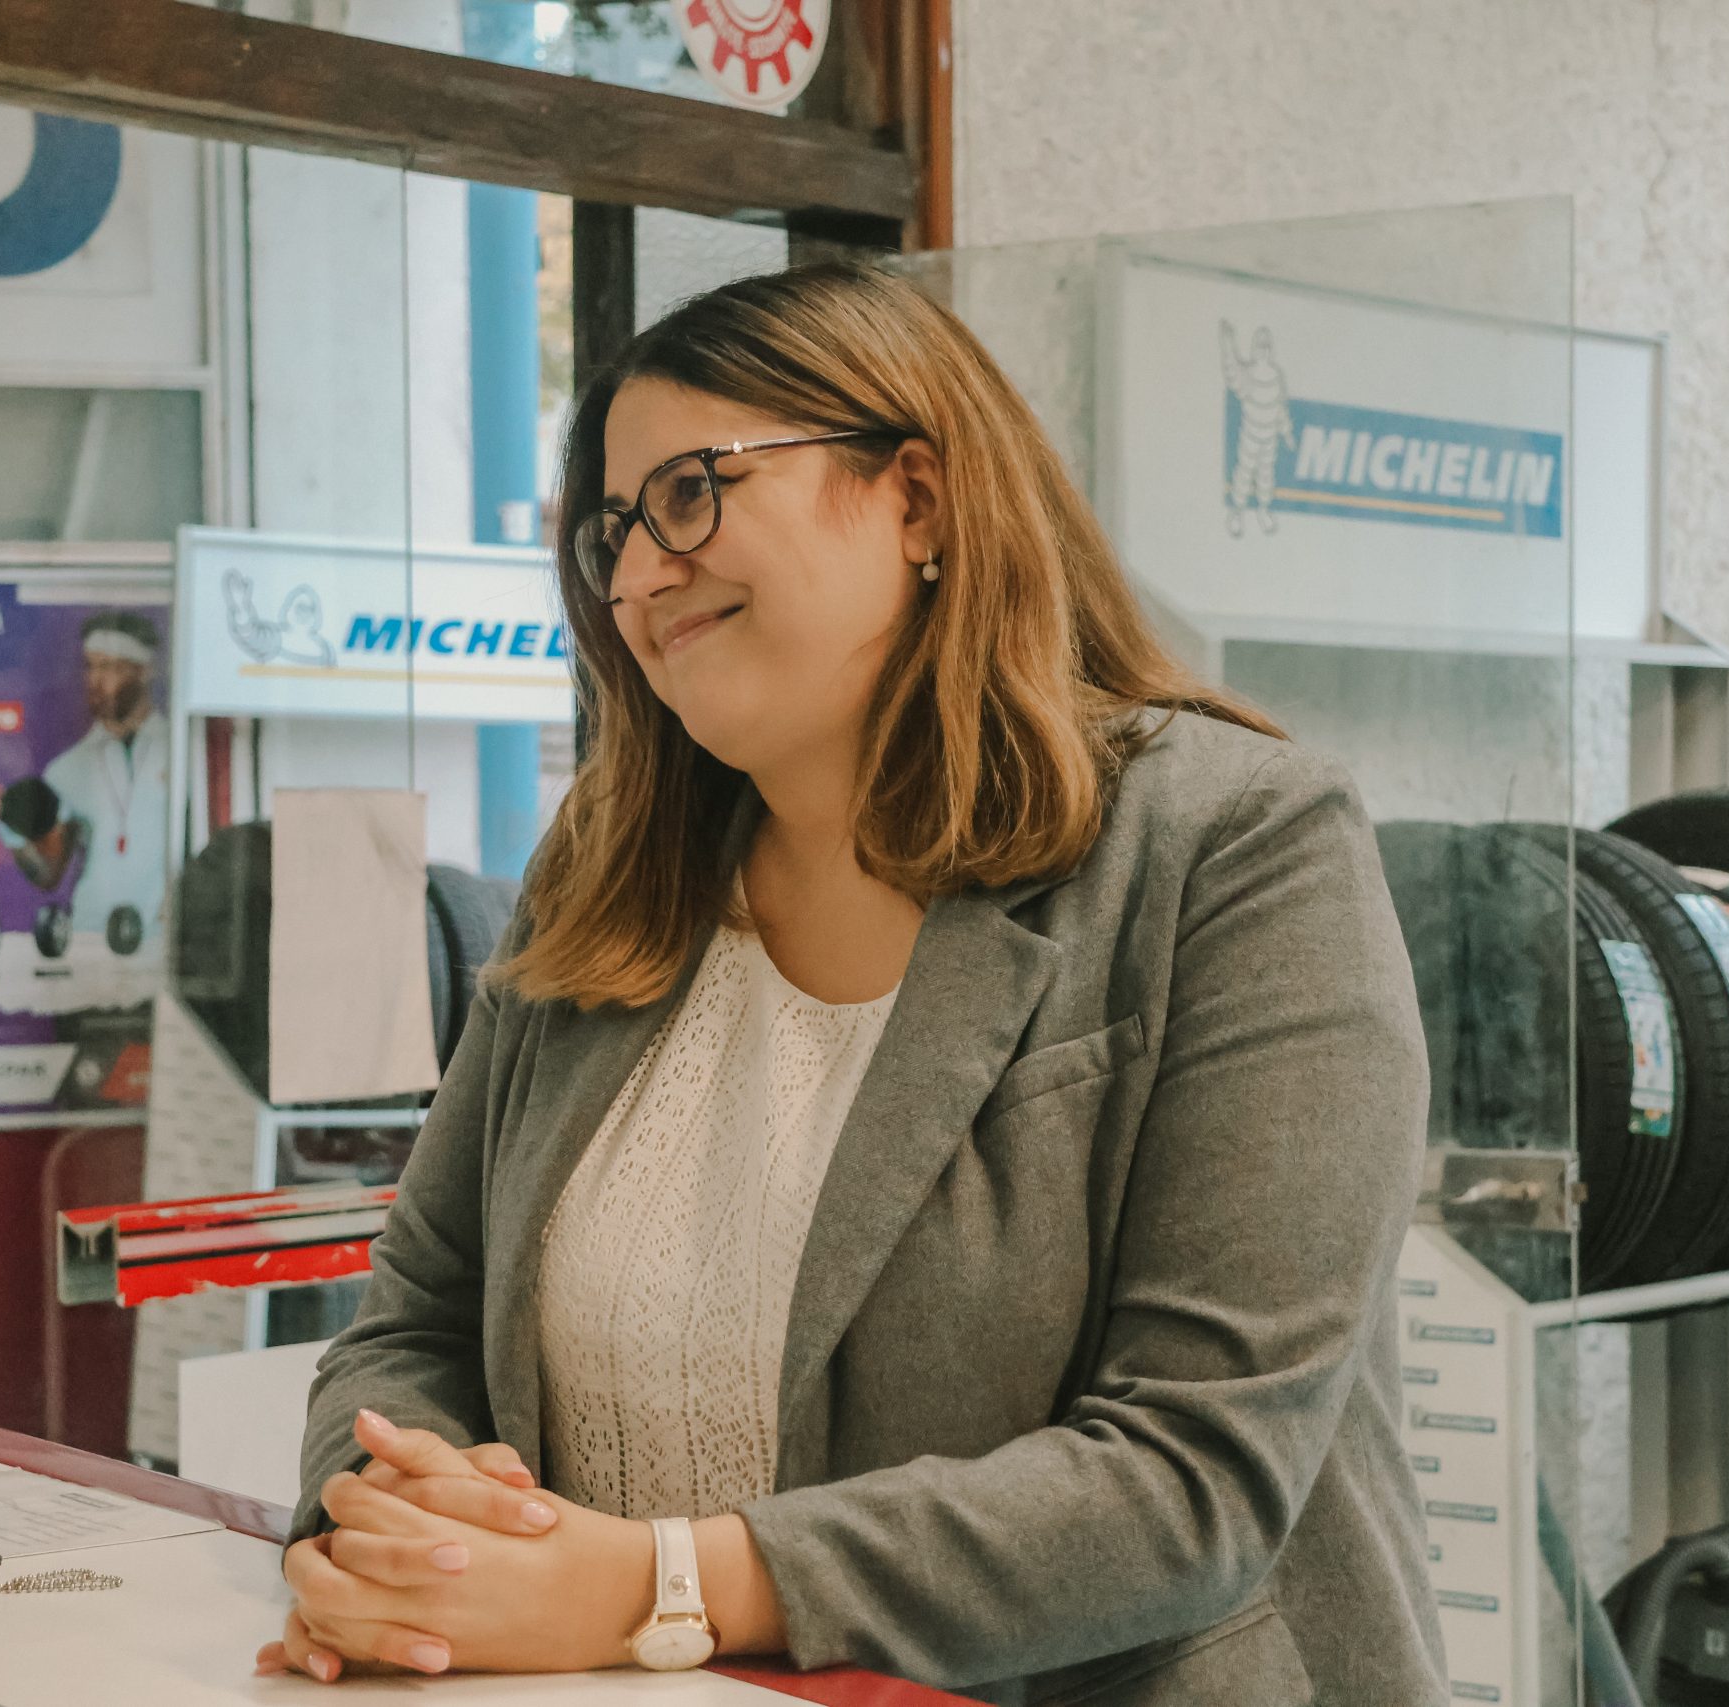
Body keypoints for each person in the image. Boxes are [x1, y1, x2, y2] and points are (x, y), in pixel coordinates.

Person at [257, 263, 1443, 1707]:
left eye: (692, 492)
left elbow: (1192, 1480)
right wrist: (391, 1540)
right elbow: (415, 1320)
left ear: (920, 498)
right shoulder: (608, 874)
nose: (637, 578)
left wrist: (653, 1585)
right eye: (611, 534)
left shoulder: (1234, 847)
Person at [0, 609, 172, 953]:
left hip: (168, 944)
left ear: (145, 671)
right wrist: (2, 815)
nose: (94, 680)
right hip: (91, 941)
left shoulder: (182, 753)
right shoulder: (67, 769)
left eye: (109, 667)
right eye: (90, 666)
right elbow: (48, 872)